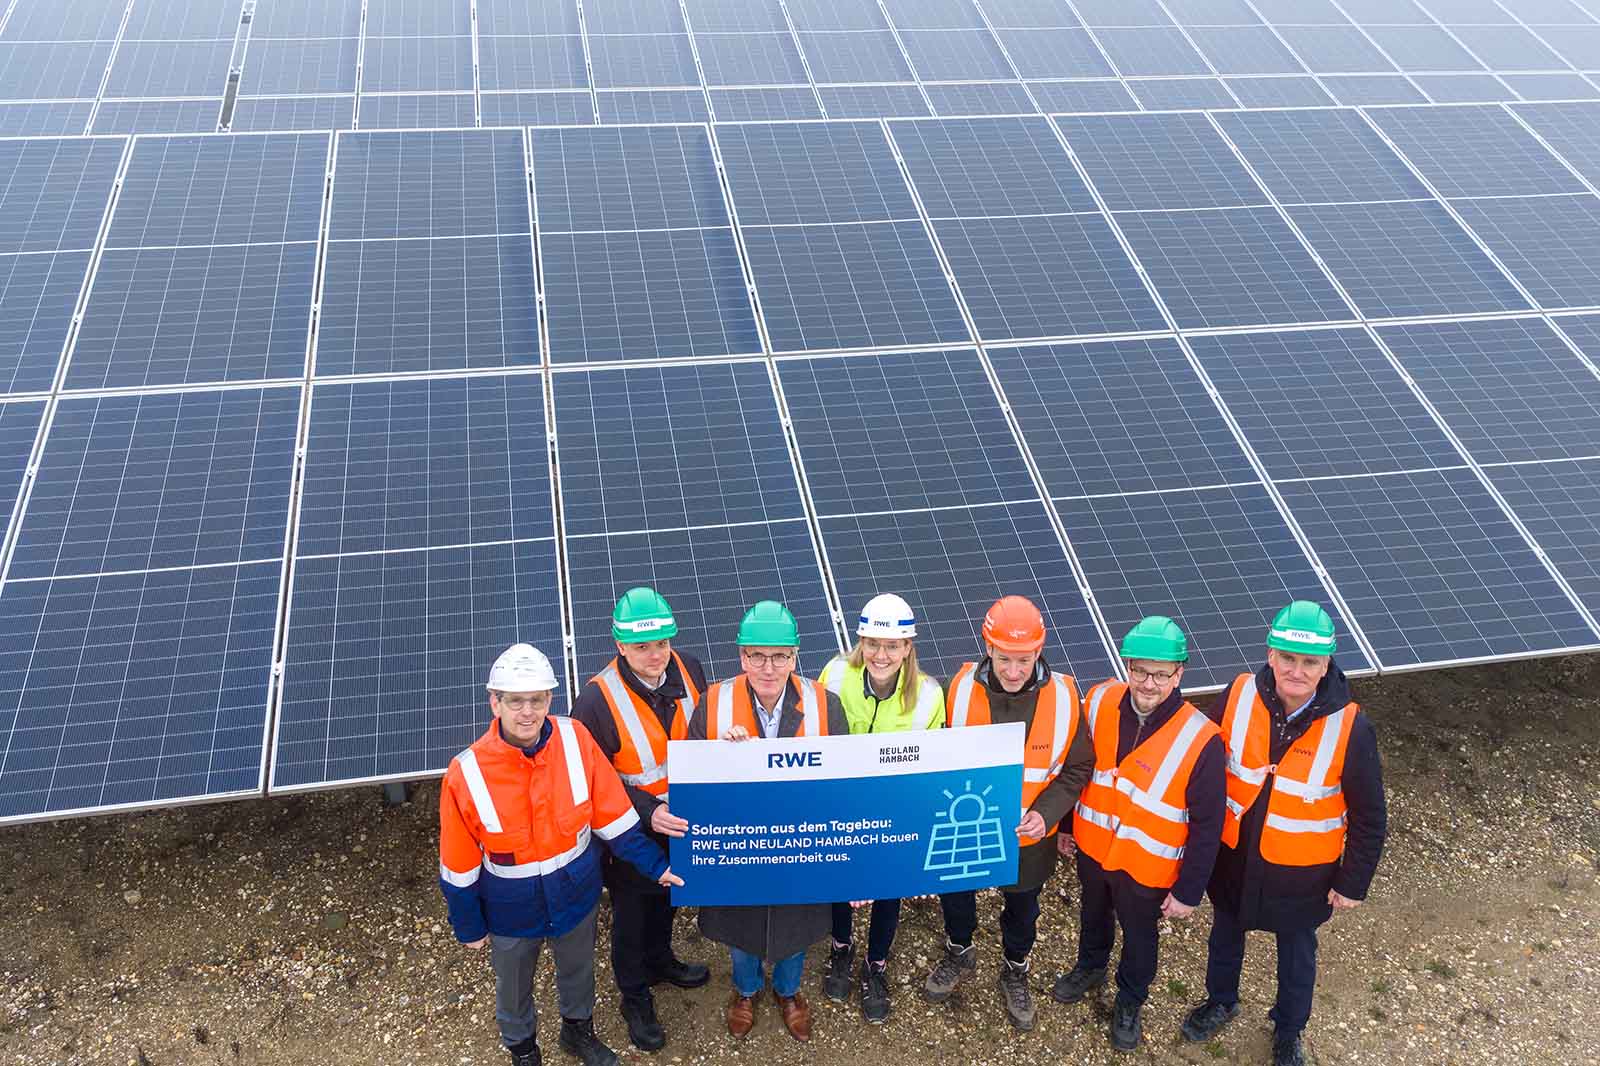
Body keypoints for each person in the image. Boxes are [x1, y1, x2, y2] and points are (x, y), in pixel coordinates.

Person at [439, 643, 683, 1066]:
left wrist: (656, 866)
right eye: (515, 701)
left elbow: (615, 817)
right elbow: (458, 863)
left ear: (550, 699)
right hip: (509, 908)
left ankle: (577, 1033)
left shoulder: (575, 739)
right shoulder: (467, 771)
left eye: (536, 700)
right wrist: (468, 925)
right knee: (513, 984)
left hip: (576, 893)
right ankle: (523, 1049)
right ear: (495, 702)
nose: (527, 712)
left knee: (577, 971)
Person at [1178, 601, 1387, 1066]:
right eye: (1287, 658)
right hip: (1234, 857)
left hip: (1303, 873)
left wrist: (1352, 883)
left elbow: (1371, 817)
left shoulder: (1351, 726)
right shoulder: (1237, 695)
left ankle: (1289, 1029)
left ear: (1326, 664)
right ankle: (1221, 1000)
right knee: (1225, 934)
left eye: (1309, 662)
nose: (1296, 670)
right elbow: (1200, 761)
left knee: (1296, 955)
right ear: (1270, 654)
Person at [1052, 616, 1225, 1053]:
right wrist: (1068, 827)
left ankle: (1129, 1001)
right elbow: (1079, 771)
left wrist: (1189, 890)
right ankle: (1090, 967)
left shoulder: (1200, 738)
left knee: (1139, 937)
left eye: (1160, 674)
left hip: (1147, 866)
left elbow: (1208, 826)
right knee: (1092, 915)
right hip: (1093, 847)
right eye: (1139, 670)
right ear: (1127, 665)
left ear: (1179, 674)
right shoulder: (1099, 701)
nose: (1148, 683)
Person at [922, 595, 1093, 1032]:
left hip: (1028, 836)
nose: (1013, 671)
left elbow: (1077, 767)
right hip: (965, 829)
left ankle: (1015, 966)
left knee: (1023, 906)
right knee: (956, 897)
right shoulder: (957, 689)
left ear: (1039, 651)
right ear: (987, 648)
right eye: (1003, 660)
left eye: (1023, 659)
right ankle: (959, 950)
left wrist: (1047, 815)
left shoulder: (1067, 695)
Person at [684, 600, 850, 1043]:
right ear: (742, 657)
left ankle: (789, 991)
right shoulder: (713, 704)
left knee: (797, 922)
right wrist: (723, 755)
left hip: (803, 841)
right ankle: (746, 989)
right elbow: (692, 781)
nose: (768, 667)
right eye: (757, 655)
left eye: (779, 656)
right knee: (742, 921)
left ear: (794, 656)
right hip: (742, 844)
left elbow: (845, 782)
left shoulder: (825, 705)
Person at [571, 588, 710, 1052]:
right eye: (642, 647)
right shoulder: (595, 700)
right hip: (628, 832)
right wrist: (650, 811)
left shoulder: (689, 668)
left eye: (662, 643)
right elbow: (592, 778)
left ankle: (661, 960)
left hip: (683, 822)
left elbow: (704, 732)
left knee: (668, 898)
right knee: (632, 914)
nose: (655, 656)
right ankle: (634, 994)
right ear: (620, 646)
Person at [817, 593, 945, 1023]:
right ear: (860, 641)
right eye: (872, 643)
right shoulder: (835, 675)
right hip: (842, 800)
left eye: (892, 645)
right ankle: (840, 948)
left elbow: (932, 769)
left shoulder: (928, 695)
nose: (881, 654)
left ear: (909, 647)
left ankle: (876, 965)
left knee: (889, 885)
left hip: (896, 807)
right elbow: (816, 736)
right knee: (840, 878)